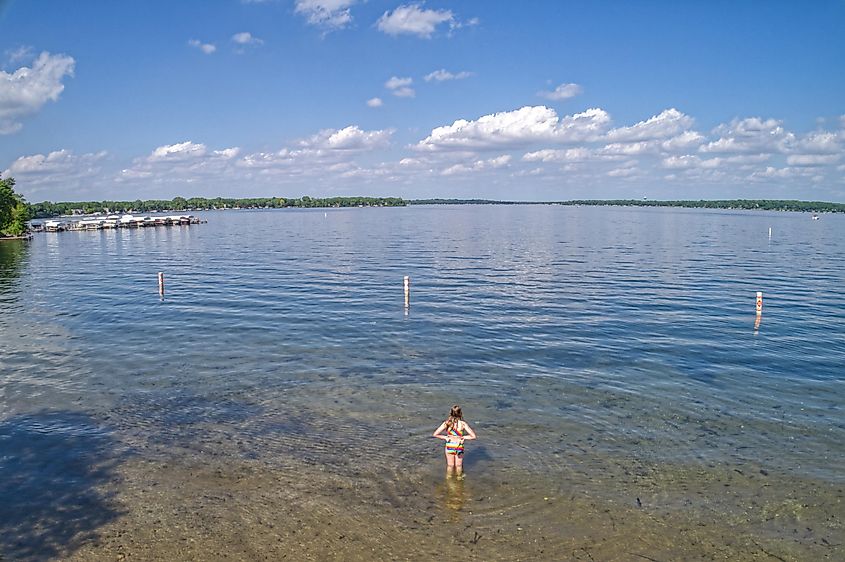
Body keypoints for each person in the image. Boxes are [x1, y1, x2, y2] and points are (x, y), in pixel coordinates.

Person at [432, 405, 477, 478]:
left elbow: (435, 434)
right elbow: (473, 436)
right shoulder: (463, 424)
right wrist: (463, 437)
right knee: (458, 465)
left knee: (450, 465)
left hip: (450, 445)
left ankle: (449, 478)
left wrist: (446, 437)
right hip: (459, 446)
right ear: (460, 414)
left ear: (450, 413)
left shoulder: (447, 423)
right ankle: (459, 478)